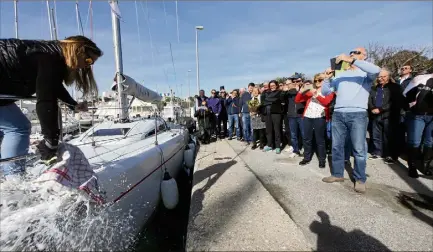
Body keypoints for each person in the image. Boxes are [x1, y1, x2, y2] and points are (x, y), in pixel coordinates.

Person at [0, 35, 102, 175]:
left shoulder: (48, 54)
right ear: (78, 50)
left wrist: (72, 104)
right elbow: (46, 100)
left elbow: (51, 85)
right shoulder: (50, 58)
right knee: (18, 128)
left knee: (6, 130)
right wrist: (51, 140)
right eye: (88, 60)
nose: (87, 65)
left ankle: (6, 176)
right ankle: (14, 181)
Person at [321, 47, 381, 193]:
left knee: (359, 148)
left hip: (358, 114)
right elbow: (325, 92)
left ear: (364, 56)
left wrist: (351, 60)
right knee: (336, 146)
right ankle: (337, 174)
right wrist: (327, 78)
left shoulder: (366, 74)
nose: (353, 54)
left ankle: (360, 179)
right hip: (339, 114)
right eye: (351, 53)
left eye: (357, 53)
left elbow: (376, 70)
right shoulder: (341, 74)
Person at [295, 75, 335, 168]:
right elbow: (297, 100)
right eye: (315, 80)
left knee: (320, 139)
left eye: (320, 80)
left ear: (324, 81)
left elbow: (326, 102)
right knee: (307, 138)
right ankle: (307, 158)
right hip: (308, 117)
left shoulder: (329, 91)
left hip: (320, 117)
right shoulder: (310, 91)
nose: (317, 82)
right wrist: (301, 90)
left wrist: (316, 94)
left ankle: (322, 160)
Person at [403, 74, 433, 178]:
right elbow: (406, 93)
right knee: (414, 141)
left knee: (429, 141)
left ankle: (425, 166)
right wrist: (410, 106)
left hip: (432, 117)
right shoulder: (422, 78)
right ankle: (412, 166)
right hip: (417, 115)